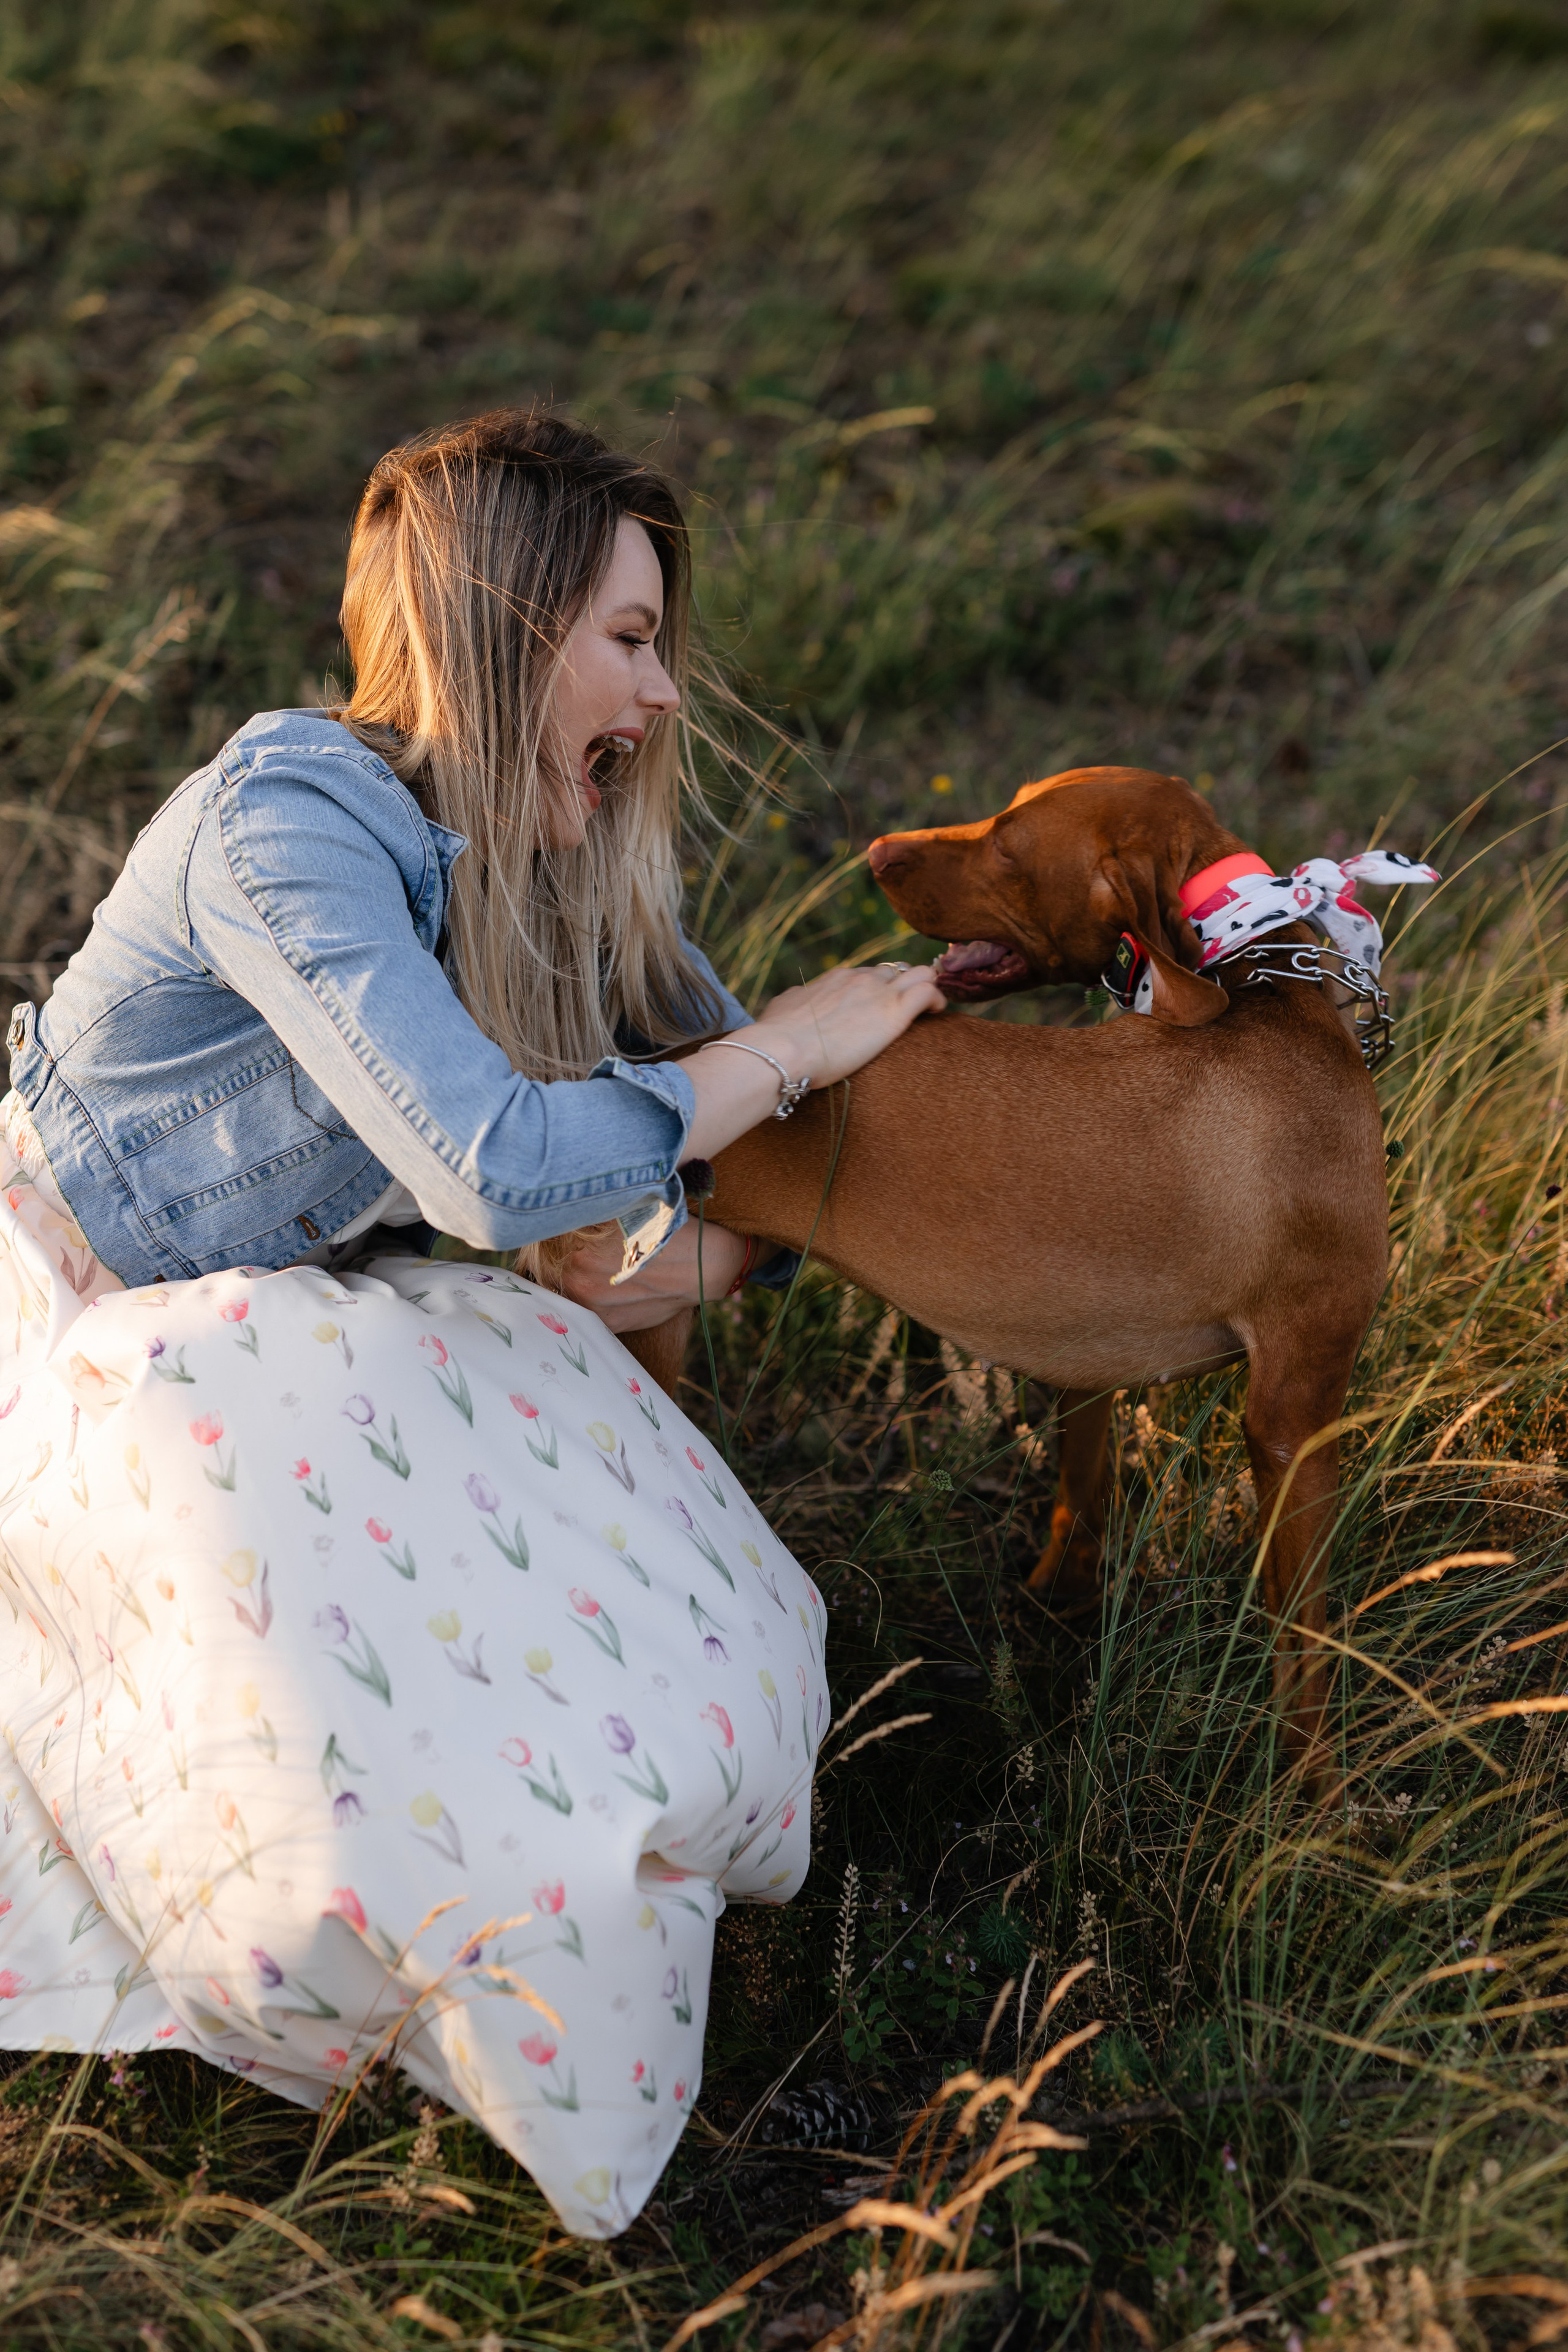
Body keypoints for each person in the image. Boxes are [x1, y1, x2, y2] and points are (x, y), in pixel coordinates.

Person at [0, 408, 941, 2236]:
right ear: (507, 628)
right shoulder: (289, 818)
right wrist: (785, 1053)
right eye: (631, 638)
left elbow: (736, 1167)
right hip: (74, 1302)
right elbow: (499, 1169)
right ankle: (414, 2060)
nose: (661, 696)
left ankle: (581, 1967)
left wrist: (708, 1242)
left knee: (640, 1625)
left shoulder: (556, 846)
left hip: (305, 1310)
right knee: (322, 1732)